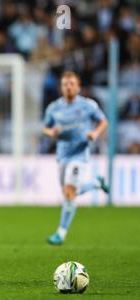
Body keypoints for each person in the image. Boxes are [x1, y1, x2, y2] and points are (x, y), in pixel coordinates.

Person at [42, 71, 109, 245]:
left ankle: (60, 233)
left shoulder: (88, 105)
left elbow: (103, 122)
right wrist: (52, 132)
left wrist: (95, 133)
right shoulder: (54, 108)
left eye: (72, 83)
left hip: (80, 154)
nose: (69, 87)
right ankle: (96, 183)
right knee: (68, 194)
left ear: (78, 87)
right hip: (62, 155)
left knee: (70, 191)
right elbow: (45, 128)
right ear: (61, 87)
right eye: (65, 84)